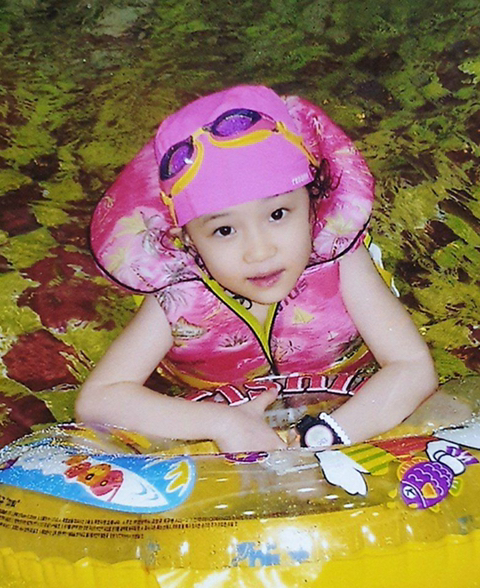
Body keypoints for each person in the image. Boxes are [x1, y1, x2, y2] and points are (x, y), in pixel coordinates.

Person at [76, 85, 438, 453]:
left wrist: (331, 432)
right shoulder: (179, 297)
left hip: (343, 403)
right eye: (224, 230)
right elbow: (98, 400)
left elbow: (412, 366)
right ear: (186, 239)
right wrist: (221, 422)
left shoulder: (341, 263)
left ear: (313, 204)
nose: (260, 251)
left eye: (278, 214)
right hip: (216, 401)